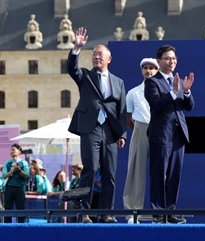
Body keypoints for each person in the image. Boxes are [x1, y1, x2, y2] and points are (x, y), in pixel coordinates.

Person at [67, 27, 127, 223]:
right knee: (90, 169)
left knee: (109, 173)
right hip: (90, 128)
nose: (96, 57)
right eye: (93, 55)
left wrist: (122, 134)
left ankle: (106, 213)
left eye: (100, 54)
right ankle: (84, 213)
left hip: (110, 131)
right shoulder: (85, 76)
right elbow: (71, 69)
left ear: (109, 58)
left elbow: (122, 110)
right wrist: (76, 48)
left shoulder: (118, 82)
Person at [144, 45, 195, 224]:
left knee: (174, 174)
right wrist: (173, 92)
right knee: (159, 173)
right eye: (167, 58)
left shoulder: (179, 81)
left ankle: (170, 211)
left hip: (178, 134)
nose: (171, 61)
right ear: (159, 61)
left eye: (174, 58)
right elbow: (155, 104)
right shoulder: (152, 81)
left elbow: (188, 107)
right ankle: (158, 213)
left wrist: (186, 91)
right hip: (161, 134)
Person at [123, 58, 159, 224]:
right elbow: (127, 116)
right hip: (140, 129)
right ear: (141, 71)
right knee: (136, 171)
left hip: (160, 130)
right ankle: (132, 212)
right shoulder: (134, 92)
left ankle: (160, 213)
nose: (148, 71)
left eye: (152, 68)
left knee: (160, 172)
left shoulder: (164, 91)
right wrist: (138, 130)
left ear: (157, 71)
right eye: (145, 68)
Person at [2, 144, 30, 223]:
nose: (11, 151)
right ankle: (7, 227)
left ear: (19, 152)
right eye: (11, 150)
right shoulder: (7, 163)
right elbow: (4, 176)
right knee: (7, 209)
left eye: (13, 149)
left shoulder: (23, 163)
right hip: (9, 188)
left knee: (21, 209)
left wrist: (19, 170)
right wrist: (12, 171)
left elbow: (26, 175)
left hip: (19, 188)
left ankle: (21, 227)